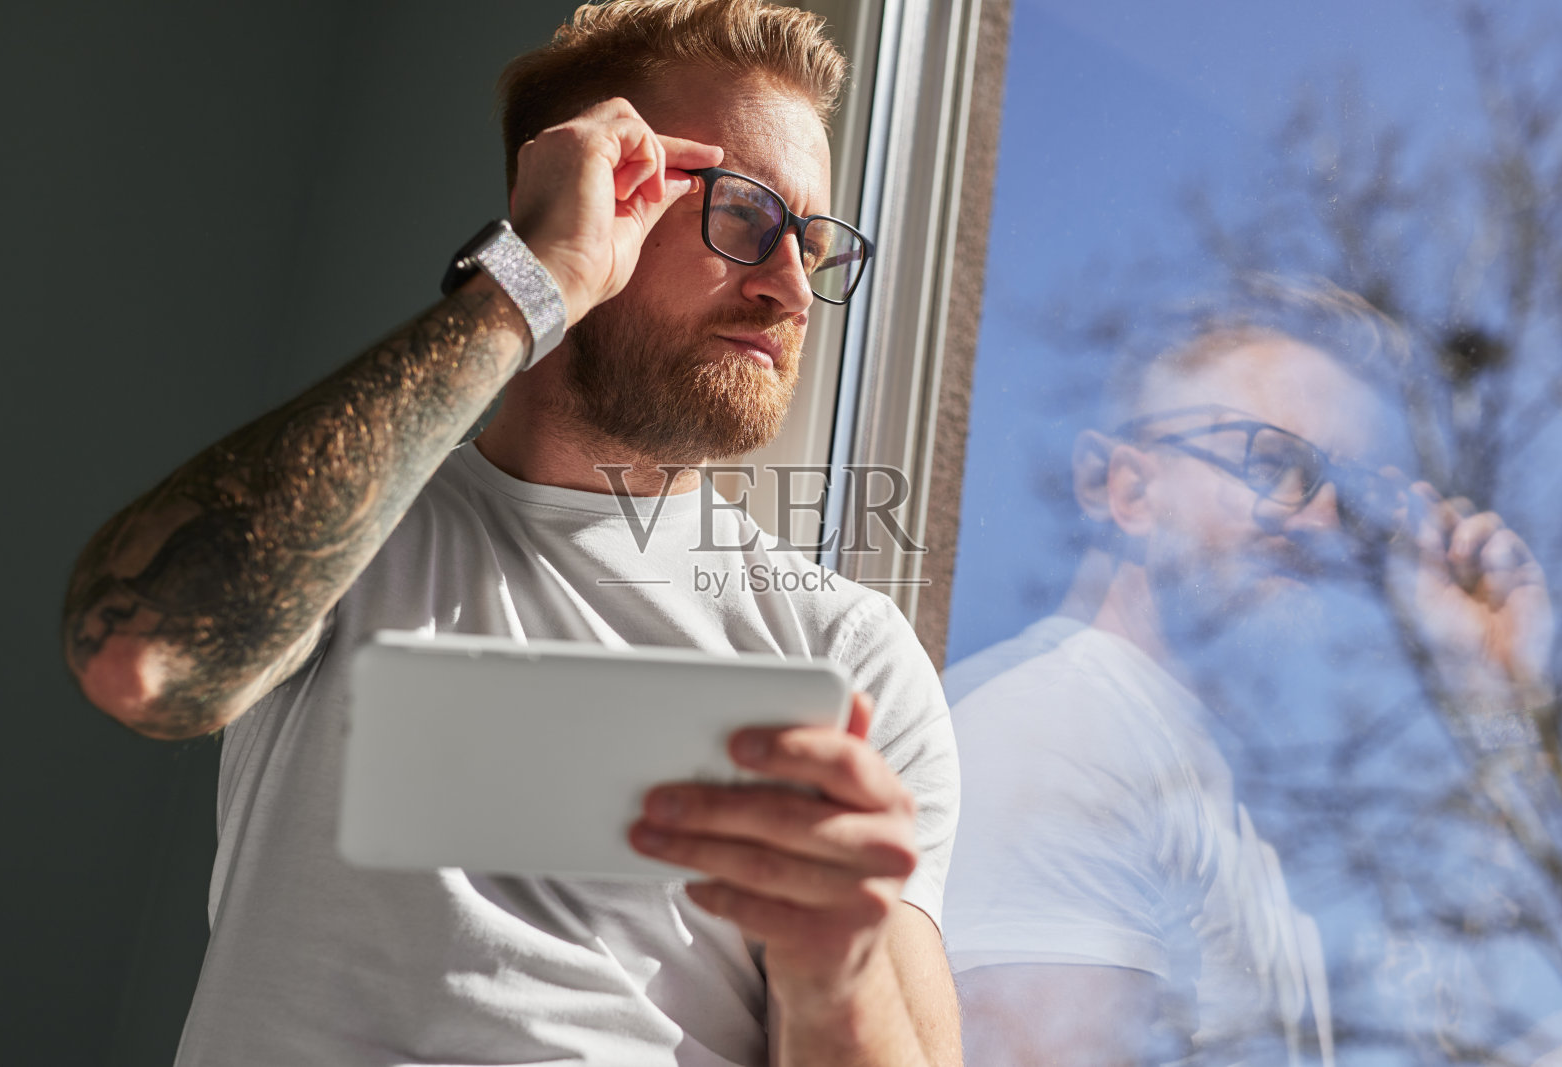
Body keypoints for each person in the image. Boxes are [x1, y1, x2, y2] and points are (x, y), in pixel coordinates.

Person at [60, 3, 961, 1064]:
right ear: (590, 200)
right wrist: (534, 280)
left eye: (812, 244)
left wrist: (833, 966)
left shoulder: (847, 655)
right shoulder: (352, 530)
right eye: (745, 216)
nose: (789, 286)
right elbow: (138, 654)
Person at [943, 280, 1555, 1066]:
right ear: (1124, 487)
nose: (1321, 518)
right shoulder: (1051, 740)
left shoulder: (1222, 784)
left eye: (1342, 484)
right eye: (1276, 462)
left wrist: (1488, 691)